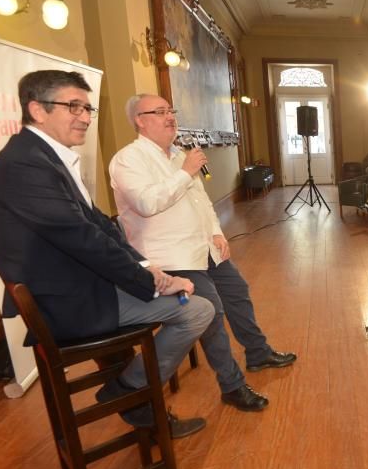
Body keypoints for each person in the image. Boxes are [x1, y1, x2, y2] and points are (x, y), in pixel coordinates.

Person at [0, 70, 213, 438]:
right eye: (73, 107)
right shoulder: (25, 165)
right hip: (67, 301)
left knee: (190, 301)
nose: (86, 117)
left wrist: (148, 267)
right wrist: (153, 283)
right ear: (37, 110)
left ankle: (133, 392)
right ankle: (130, 394)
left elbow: (100, 226)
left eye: (88, 108)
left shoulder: (45, 157)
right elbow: (84, 239)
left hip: (82, 286)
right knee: (197, 309)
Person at [110, 93, 297, 414]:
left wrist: (216, 231)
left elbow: (201, 201)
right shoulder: (129, 159)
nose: (170, 117)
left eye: (171, 110)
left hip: (203, 247)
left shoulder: (178, 154)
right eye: (160, 112)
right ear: (140, 120)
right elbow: (146, 203)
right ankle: (233, 386)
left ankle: (257, 351)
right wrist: (184, 172)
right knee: (211, 314)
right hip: (171, 257)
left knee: (237, 292)